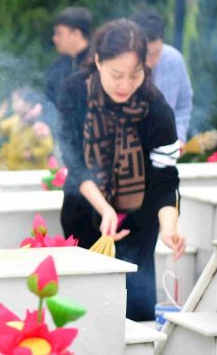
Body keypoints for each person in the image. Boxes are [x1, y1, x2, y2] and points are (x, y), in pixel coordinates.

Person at [56, 19, 186, 321]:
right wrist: (105, 209)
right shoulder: (74, 92)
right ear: (98, 61)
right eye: (116, 75)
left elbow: (166, 180)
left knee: (135, 309)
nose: (125, 85)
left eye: (135, 75)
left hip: (138, 224)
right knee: (84, 310)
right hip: (85, 213)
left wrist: (169, 228)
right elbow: (75, 163)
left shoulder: (156, 108)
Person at [130, 10, 193, 144]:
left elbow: (183, 104)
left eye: (157, 52)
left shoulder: (174, 60)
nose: (151, 61)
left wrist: (179, 136)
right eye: (146, 54)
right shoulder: (123, 66)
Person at [0, 88, 54, 170]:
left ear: (28, 104)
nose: (13, 105)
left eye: (16, 101)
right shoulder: (15, 119)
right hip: (14, 169)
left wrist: (32, 154)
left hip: (33, 171)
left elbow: (47, 148)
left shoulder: (38, 123)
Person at [45, 7, 93, 110]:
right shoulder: (57, 67)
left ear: (76, 34)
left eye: (59, 34)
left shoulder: (98, 64)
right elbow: (50, 101)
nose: (54, 39)